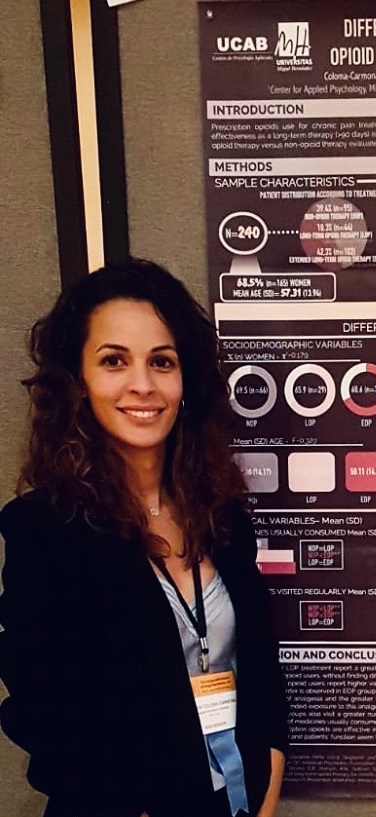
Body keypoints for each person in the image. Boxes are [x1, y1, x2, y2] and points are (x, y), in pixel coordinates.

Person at [0, 259, 289, 817]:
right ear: (78, 380)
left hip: (237, 801)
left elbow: (261, 676)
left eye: (162, 361)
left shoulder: (221, 513)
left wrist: (266, 790)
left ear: (186, 381)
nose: (143, 384)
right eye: (114, 361)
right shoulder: (45, 531)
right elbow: (46, 716)